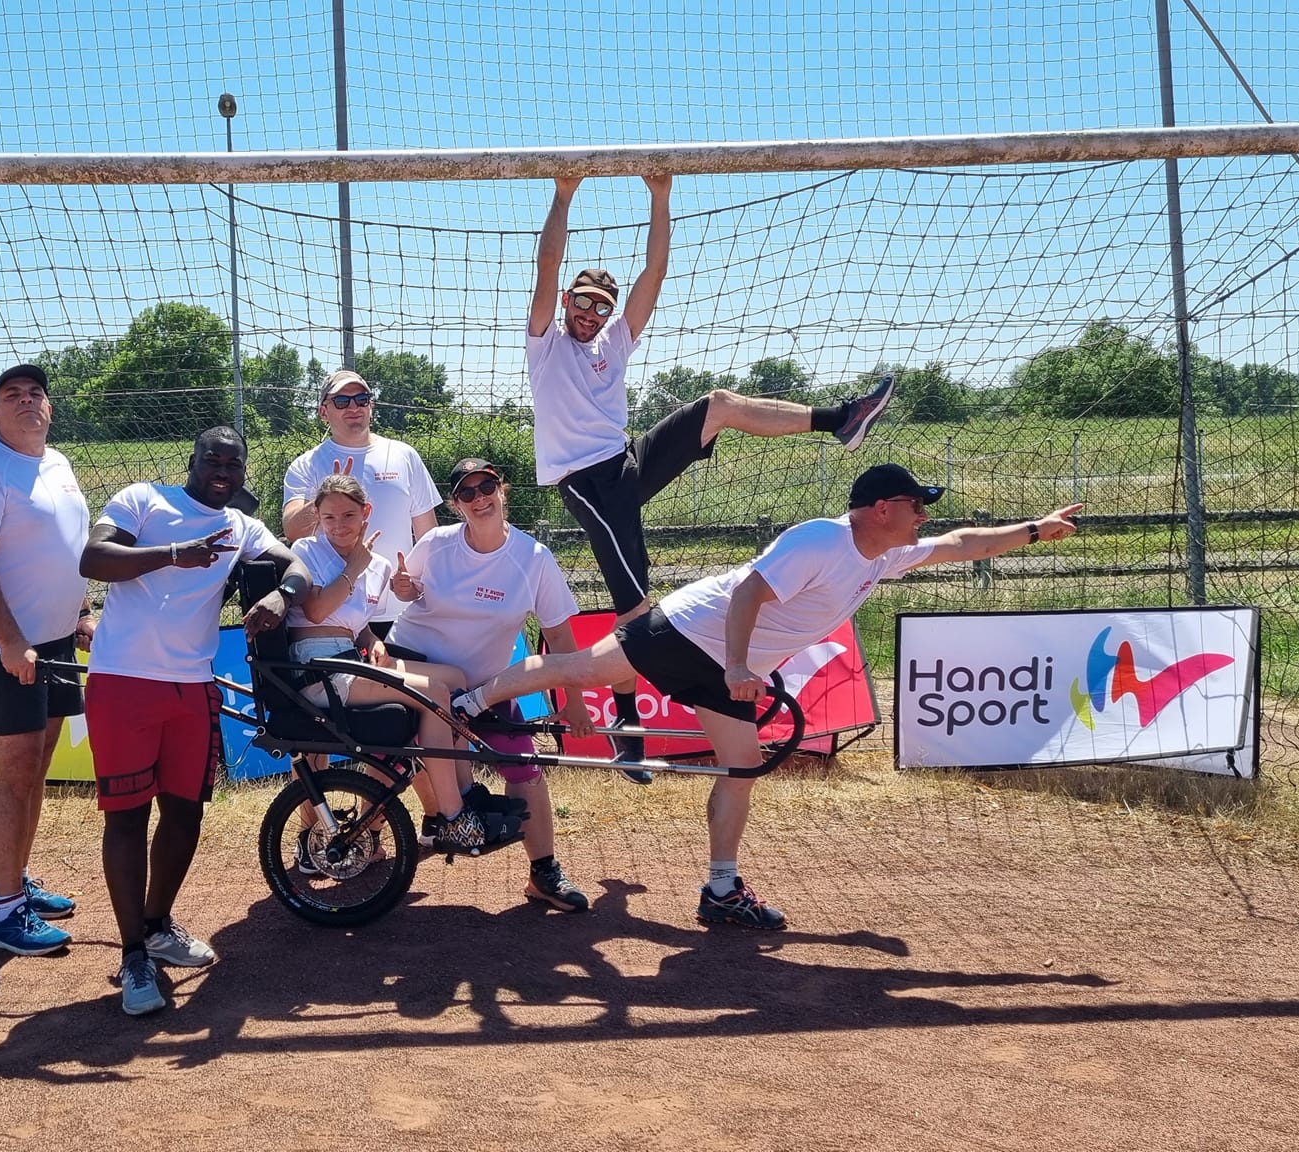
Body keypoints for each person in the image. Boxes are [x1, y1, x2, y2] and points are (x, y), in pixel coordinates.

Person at [451, 463, 1083, 929]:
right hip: (687, 630)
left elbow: (960, 544)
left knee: (741, 766)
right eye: (916, 505)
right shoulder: (821, 540)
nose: (923, 516)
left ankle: (721, 891)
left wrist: (1034, 530)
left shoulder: (880, 556)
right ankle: (476, 700)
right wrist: (735, 665)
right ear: (881, 508)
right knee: (583, 671)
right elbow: (749, 593)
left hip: (729, 662)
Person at [528, 175, 896, 776]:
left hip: (625, 461)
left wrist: (660, 195)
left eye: (602, 307)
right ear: (568, 301)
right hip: (587, 483)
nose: (591, 314)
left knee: (718, 405)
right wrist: (565, 194)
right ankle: (629, 733)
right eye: (583, 302)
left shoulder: (614, 344)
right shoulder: (545, 344)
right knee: (635, 611)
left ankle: (841, 419)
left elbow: (654, 274)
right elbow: (547, 266)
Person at [79, 426, 303, 1016]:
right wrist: (175, 554)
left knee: (185, 812)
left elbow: (295, 564)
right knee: (127, 817)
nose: (222, 472)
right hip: (124, 679)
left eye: (233, 464)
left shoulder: (242, 526)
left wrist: (282, 595)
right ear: (192, 461)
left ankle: (157, 925)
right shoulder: (143, 500)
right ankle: (133, 954)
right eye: (212, 460)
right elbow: (93, 558)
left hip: (192, 683)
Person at [387, 458, 599, 914]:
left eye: (486, 487)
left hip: (483, 686)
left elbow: (560, 636)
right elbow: (409, 590)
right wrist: (405, 589)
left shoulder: (533, 558)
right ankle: (355, 845)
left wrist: (575, 701)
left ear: (502, 490)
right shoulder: (436, 543)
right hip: (415, 667)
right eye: (467, 493)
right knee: (385, 762)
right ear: (455, 504)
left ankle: (543, 873)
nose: (479, 498)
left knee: (524, 768)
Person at [0, 364, 95, 956]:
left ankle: (15, 880)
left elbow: (68, 548)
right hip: (0, 645)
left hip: (53, 639)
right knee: (12, 773)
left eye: (36, 393)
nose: (27, 401)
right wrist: (9, 640)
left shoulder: (57, 463)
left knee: (35, 767)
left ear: (49, 408)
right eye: (12, 395)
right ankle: (5, 911)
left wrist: (81, 613)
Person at [282, 472, 485, 859]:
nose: (339, 526)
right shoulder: (306, 550)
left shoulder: (378, 565)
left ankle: (462, 789)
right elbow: (316, 610)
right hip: (318, 668)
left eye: (348, 515)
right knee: (434, 693)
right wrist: (354, 567)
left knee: (456, 680)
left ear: (366, 512)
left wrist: (373, 642)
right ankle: (452, 814)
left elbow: (355, 625)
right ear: (317, 518)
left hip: (349, 660)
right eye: (329, 518)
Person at [280, 368, 443, 633]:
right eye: (341, 401)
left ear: (371, 405)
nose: (353, 407)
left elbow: (429, 536)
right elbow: (292, 530)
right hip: (335, 615)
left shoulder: (404, 455)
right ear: (323, 411)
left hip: (401, 609)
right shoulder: (307, 465)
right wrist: (327, 496)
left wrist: (420, 588)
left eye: (361, 399)